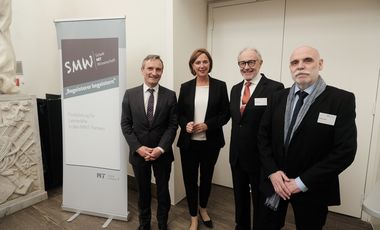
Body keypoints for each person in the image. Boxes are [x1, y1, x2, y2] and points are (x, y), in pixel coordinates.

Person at [257, 46, 357, 230]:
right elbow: (263, 137)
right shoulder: (277, 97)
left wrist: (301, 182)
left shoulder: (341, 100)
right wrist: (272, 171)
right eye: (294, 62)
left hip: (313, 187)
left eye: (307, 60)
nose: (300, 66)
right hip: (275, 183)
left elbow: (345, 151)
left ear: (320, 64)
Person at [121, 55, 178, 230]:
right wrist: (138, 148)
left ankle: (162, 224)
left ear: (162, 71)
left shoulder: (170, 95)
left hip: (162, 154)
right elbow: (126, 124)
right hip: (139, 155)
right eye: (150, 68)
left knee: (162, 192)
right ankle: (144, 224)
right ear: (142, 70)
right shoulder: (130, 94)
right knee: (143, 192)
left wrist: (161, 148)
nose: (154, 73)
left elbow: (172, 126)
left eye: (158, 69)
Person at [229, 48, 284, 230]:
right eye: (242, 63)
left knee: (260, 202)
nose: (247, 67)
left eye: (251, 62)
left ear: (260, 63)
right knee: (240, 197)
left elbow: (276, 127)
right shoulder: (236, 89)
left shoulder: (275, 88)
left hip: (260, 159)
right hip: (237, 156)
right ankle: (241, 226)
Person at [177, 48, 230, 230]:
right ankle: (193, 216)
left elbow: (225, 114)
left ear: (210, 64)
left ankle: (203, 208)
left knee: (206, 178)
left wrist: (208, 125)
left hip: (211, 143)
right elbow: (179, 114)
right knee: (190, 180)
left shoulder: (220, 86)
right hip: (188, 143)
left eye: (205, 62)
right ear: (192, 65)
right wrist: (186, 125)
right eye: (197, 62)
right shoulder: (185, 87)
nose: (202, 65)